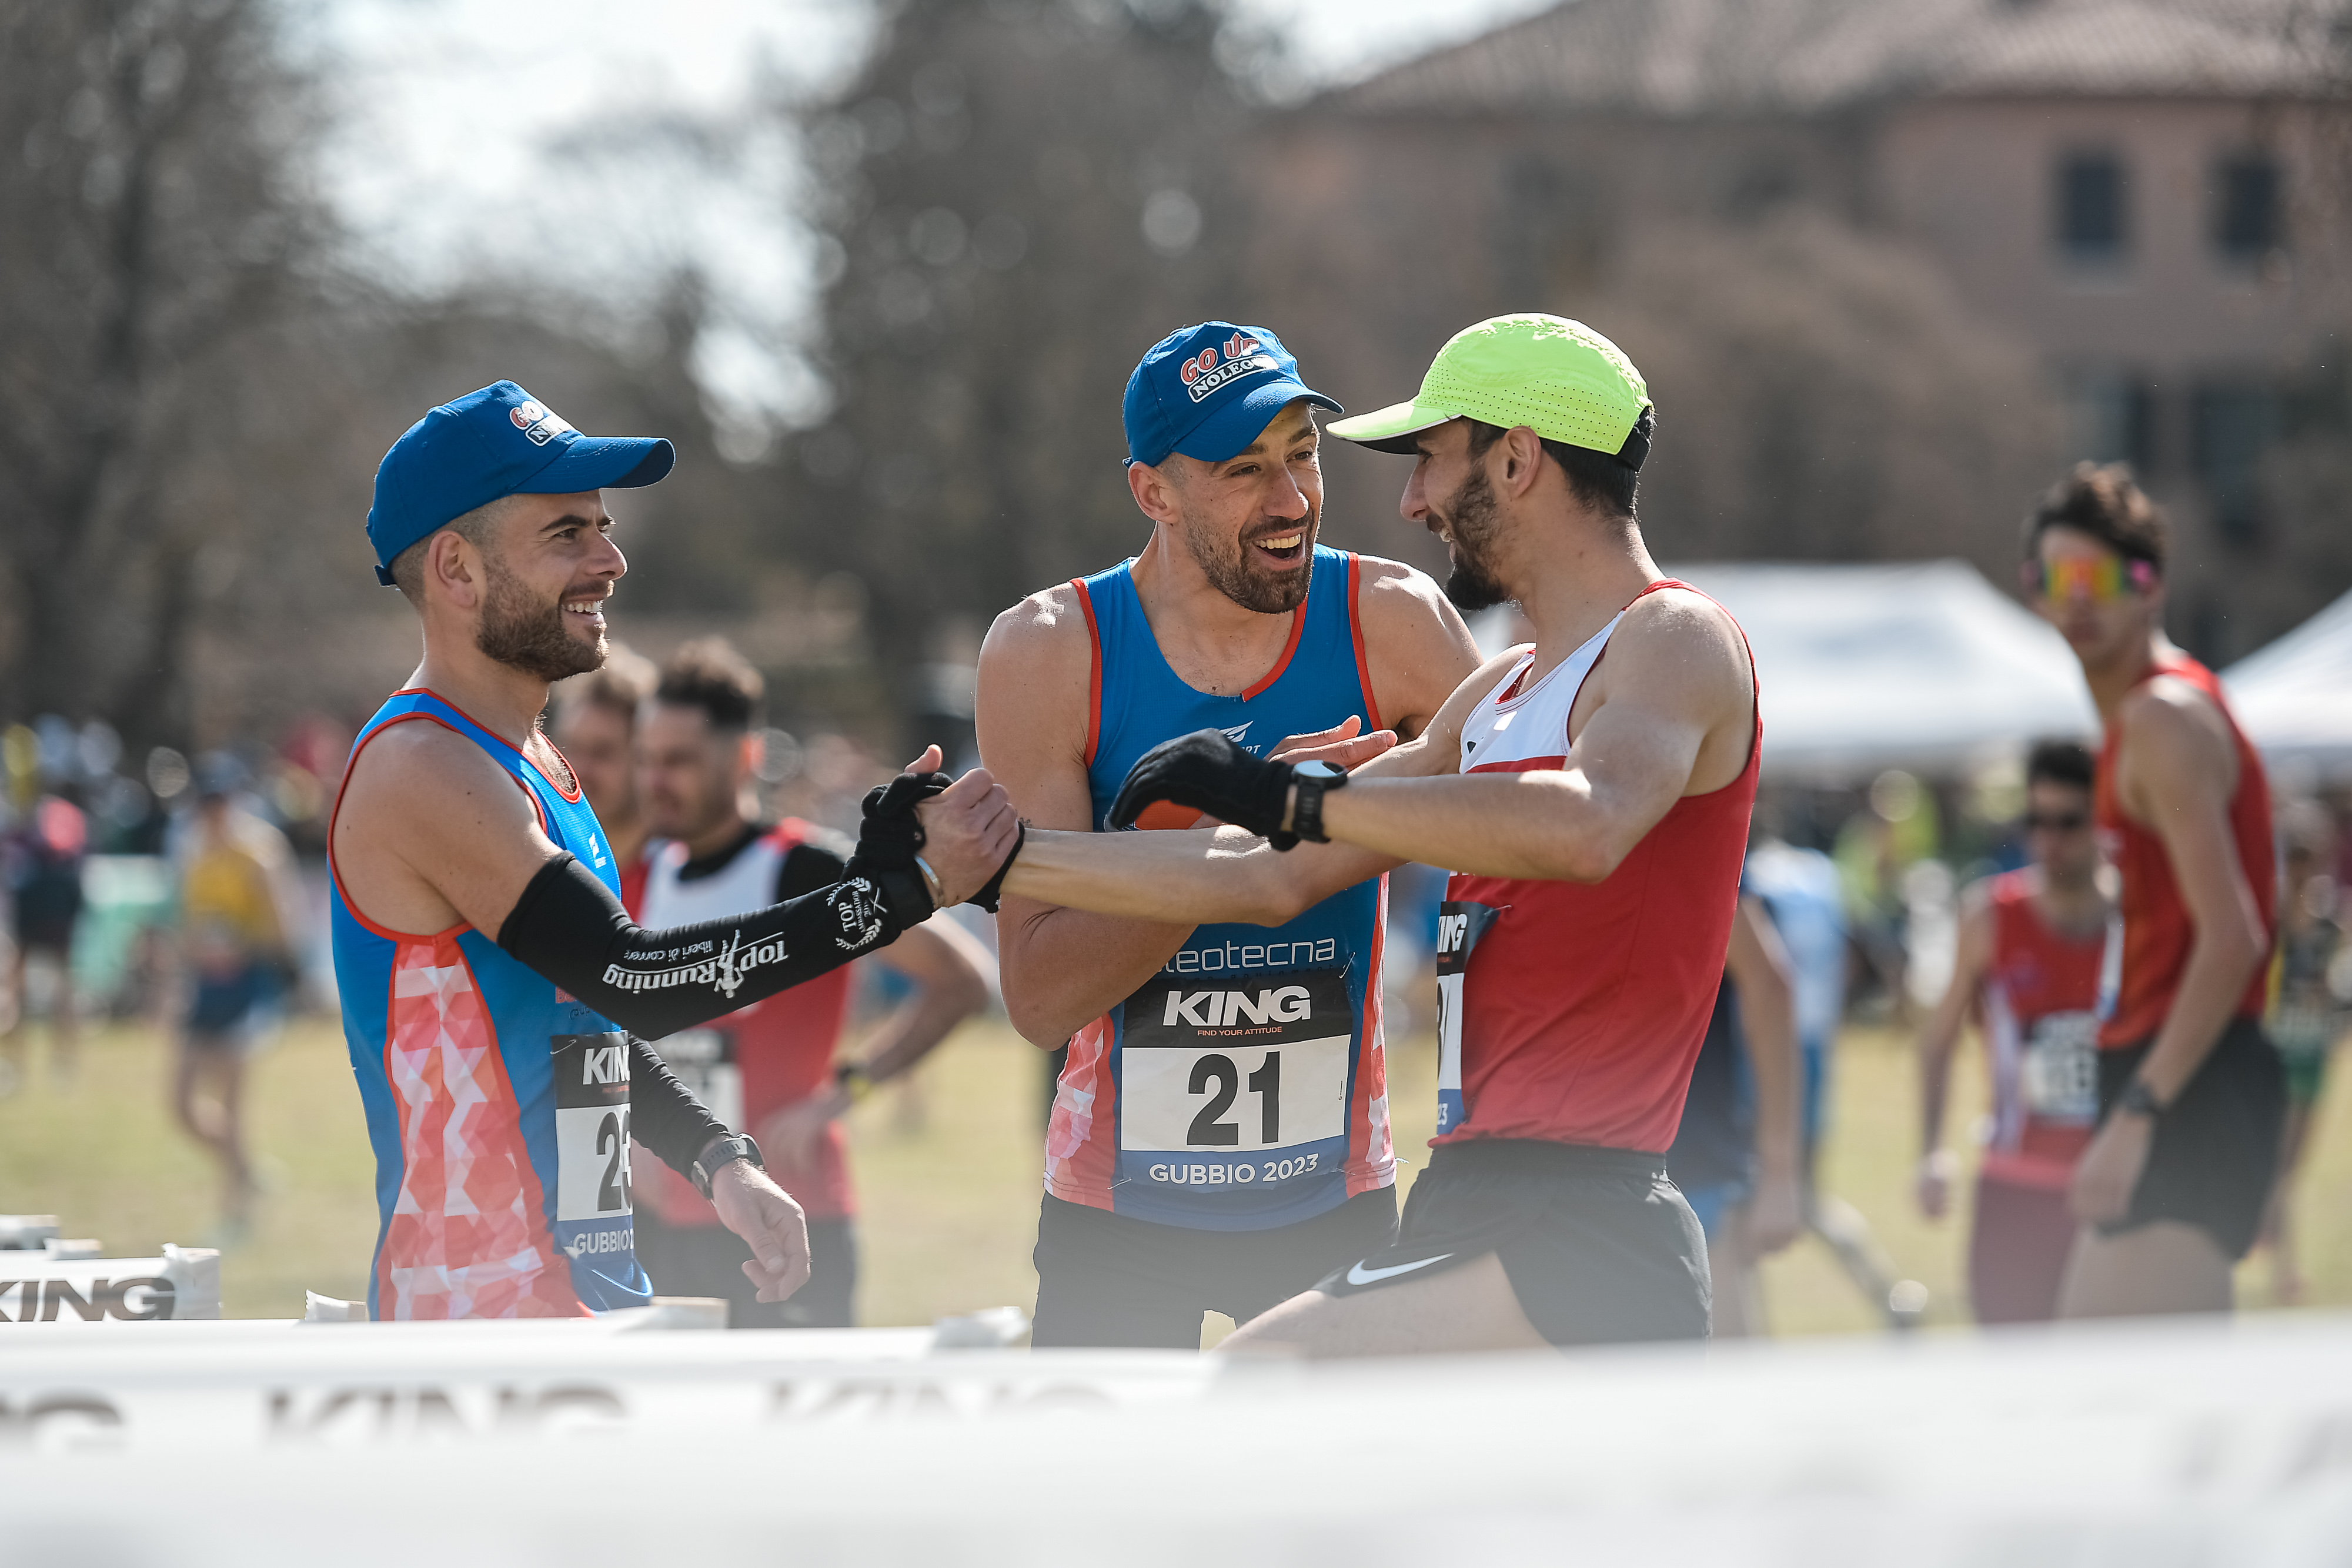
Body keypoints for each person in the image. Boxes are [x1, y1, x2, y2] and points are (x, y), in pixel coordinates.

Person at [963, 313, 1760, 1355]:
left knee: (1258, 1378)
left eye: (1428, 460)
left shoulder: (1673, 633)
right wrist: (971, 868)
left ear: (1516, 461)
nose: (1410, 501)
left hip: (1571, 1211)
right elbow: (1268, 876)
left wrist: (1291, 797)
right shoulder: (1498, 691)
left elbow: (1590, 823)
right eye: (1247, 467)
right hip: (1467, 1194)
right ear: (1153, 492)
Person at [330, 379, 1017, 1320]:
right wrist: (898, 891)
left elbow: (584, 1021)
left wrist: (716, 1158)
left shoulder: (536, 765)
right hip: (477, 1320)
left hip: (589, 1295)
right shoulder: (421, 763)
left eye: (603, 528)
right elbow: (636, 978)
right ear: (457, 568)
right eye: (567, 533)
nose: (610, 560)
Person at [975, 321, 1482, 1349]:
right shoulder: (1050, 650)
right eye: (1243, 470)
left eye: (1304, 454)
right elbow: (1040, 996)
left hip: (1333, 1199)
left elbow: (1523, 845)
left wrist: (1312, 823)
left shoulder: (1394, 619)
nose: (1290, 500)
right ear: (1154, 493)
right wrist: (1236, 842)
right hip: (1116, 1212)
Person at [628, 637, 991, 1328]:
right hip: (666, 1220)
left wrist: (845, 1092)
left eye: (679, 761)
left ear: (744, 758)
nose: (655, 780)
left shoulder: (808, 869)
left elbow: (962, 981)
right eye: (645, 759)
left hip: (791, 1220)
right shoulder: (639, 875)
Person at [2023, 464, 2281, 1319]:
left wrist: (2138, 1113)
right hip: (2169, 1069)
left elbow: (2234, 938)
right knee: (2103, 1373)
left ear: (2150, 585)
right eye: (2059, 577)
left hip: (2188, 1081)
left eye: (2099, 577)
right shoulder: (2137, 718)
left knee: (2137, 1384)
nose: (2077, 599)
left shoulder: (2159, 717)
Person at [1914, 740, 2111, 1325]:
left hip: (2110, 1188)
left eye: (2068, 822)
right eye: (2035, 821)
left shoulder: (2137, 918)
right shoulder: (1990, 916)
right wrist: (1931, 1151)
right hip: (2014, 1190)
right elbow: (1937, 1039)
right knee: (2011, 1364)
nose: (2049, 839)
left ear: (2104, 821)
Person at [173, 757, 302, 1239]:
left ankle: (236, 1213)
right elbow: (188, 923)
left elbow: (282, 922)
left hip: (249, 984)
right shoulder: (194, 853)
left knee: (230, 1100)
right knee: (183, 1104)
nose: (214, 812)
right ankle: (246, 1168)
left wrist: (252, 953)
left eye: (220, 802)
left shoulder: (258, 851)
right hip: (207, 986)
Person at [1667, 891, 1804, 1336]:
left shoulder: (1686, 859)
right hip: (1575, 1177)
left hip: (1698, 1170)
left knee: (1726, 1366)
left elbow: (1771, 987)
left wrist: (1780, 1173)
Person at [2257, 798, 2347, 1303]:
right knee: (2281, 1166)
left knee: (2292, 1167)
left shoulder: (2330, 927)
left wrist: (2330, 997)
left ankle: (2272, 1251)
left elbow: (2340, 1000)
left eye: (2309, 855)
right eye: (2293, 854)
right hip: (2275, 1057)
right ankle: (2283, 1269)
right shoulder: (2270, 924)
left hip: (2313, 1057)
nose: (2301, 867)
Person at [550, 643, 659, 907]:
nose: (578, 770)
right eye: (569, 749)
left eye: (602, 752)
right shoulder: (547, 873)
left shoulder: (679, 876)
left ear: (646, 759)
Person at [2, 791, 88, 1091]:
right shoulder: (62, 816)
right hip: (58, 911)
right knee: (59, 993)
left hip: (34, 912)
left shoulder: (24, 825)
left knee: (18, 992)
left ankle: (18, 1066)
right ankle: (62, 1064)